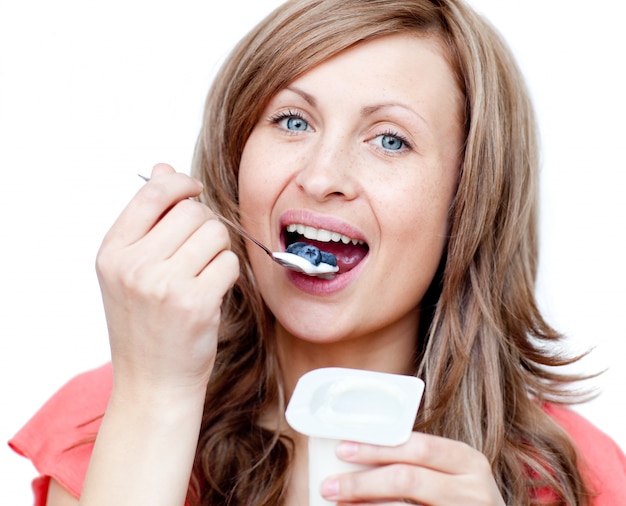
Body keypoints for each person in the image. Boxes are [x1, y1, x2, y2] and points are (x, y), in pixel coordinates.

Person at [9, 0, 626, 504]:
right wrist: (156, 400)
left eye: (390, 139)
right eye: (293, 122)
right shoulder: (116, 416)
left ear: (468, 200)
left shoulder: (575, 477)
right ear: (234, 160)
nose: (321, 175)